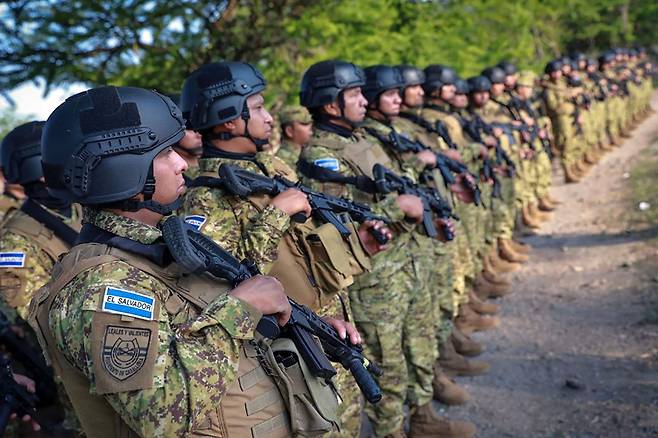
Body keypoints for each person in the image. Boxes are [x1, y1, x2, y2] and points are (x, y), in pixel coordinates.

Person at [30, 85, 340, 437]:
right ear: (124, 172)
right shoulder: (102, 285)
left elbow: (204, 331)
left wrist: (312, 328)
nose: (181, 163)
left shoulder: (162, 245)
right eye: (164, 153)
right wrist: (240, 308)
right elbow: (160, 415)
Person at [178, 61, 390, 437]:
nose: (270, 117)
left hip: (332, 324)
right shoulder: (205, 200)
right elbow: (233, 288)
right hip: (286, 350)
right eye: (258, 107)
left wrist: (362, 242)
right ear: (228, 119)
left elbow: (306, 250)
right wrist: (275, 214)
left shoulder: (272, 168)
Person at [298, 59, 474, 438]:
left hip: (405, 264)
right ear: (331, 104)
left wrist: (426, 217)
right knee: (388, 363)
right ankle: (391, 432)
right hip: (374, 280)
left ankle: (423, 415)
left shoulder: (361, 141)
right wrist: (399, 209)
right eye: (355, 94)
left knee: (419, 341)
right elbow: (337, 222)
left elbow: (396, 192)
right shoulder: (319, 154)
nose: (364, 101)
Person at [276, 105, 313, 169]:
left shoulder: (305, 154)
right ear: (289, 131)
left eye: (312, 123)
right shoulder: (283, 162)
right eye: (305, 124)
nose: (311, 128)